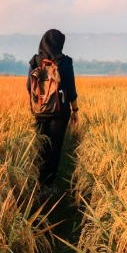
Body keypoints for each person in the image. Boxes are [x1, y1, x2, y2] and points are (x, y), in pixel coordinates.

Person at [27, 29, 79, 192]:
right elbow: (70, 88)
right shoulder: (65, 62)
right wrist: (75, 110)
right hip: (60, 112)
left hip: (39, 111)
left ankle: (37, 180)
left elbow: (29, 86)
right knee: (55, 147)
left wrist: (39, 101)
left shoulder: (35, 60)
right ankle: (49, 184)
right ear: (60, 44)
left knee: (41, 145)